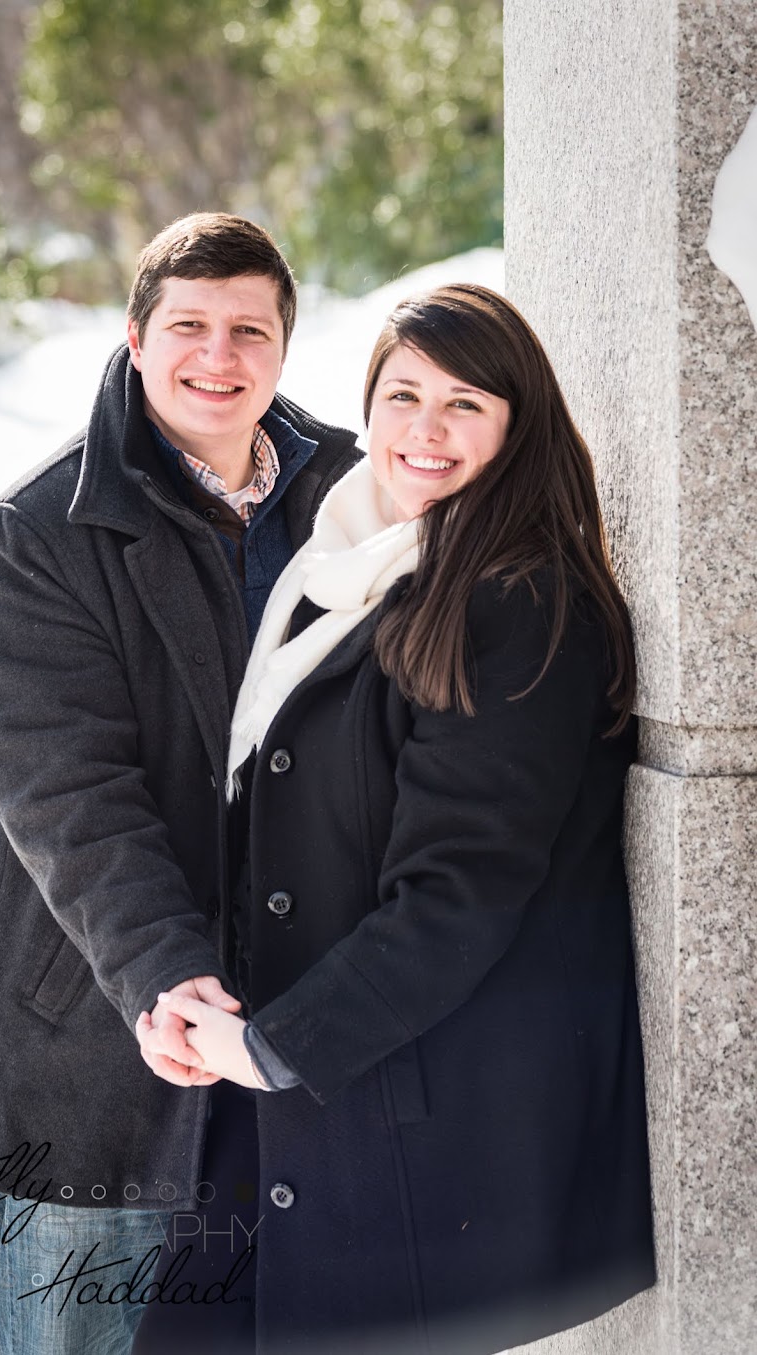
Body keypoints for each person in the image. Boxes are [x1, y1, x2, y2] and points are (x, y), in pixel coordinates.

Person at [136, 284, 656, 1354]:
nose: (426, 428)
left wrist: (272, 1047)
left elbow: (460, 893)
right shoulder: (349, 569)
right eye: (403, 395)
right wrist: (193, 995)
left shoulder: (520, 602)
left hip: (404, 1130)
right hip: (290, 1107)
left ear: (518, 426)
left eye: (465, 403)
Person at [0, 212, 361, 1355]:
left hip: (308, 1037)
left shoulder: (357, 495)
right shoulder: (38, 532)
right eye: (188, 326)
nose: (218, 357)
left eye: (249, 330)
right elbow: (69, 796)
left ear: (283, 346)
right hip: (110, 1032)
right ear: (136, 337)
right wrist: (166, 977)